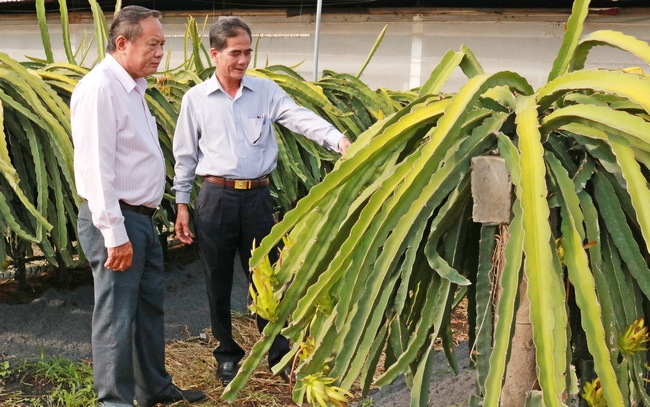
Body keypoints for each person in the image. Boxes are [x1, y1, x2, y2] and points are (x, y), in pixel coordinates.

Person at [172, 17, 351, 386]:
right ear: (215, 53)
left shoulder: (266, 92)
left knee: (267, 277)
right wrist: (182, 204)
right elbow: (185, 156)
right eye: (235, 53)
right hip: (215, 198)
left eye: (248, 52)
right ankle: (226, 354)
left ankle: (278, 351)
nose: (242, 60)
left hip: (257, 198)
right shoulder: (196, 100)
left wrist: (337, 140)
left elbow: (299, 118)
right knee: (216, 279)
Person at [71, 6, 205, 406]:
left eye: (163, 44)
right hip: (116, 220)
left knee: (148, 311)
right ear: (122, 42)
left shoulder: (134, 89)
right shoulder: (100, 90)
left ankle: (153, 390)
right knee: (116, 318)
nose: (161, 52)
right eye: (153, 43)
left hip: (141, 219)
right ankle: (113, 401)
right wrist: (115, 234)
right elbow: (98, 169)